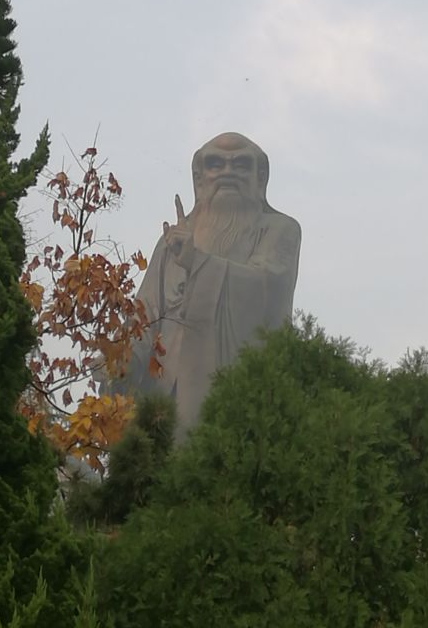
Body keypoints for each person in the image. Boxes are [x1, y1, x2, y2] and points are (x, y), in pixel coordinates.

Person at [125, 132, 301, 431]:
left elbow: (268, 288)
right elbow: (146, 313)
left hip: (236, 388)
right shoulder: (172, 241)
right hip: (163, 395)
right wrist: (121, 353)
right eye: (215, 164)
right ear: (198, 178)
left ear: (261, 178)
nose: (227, 172)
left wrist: (198, 262)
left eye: (241, 164)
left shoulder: (279, 229)